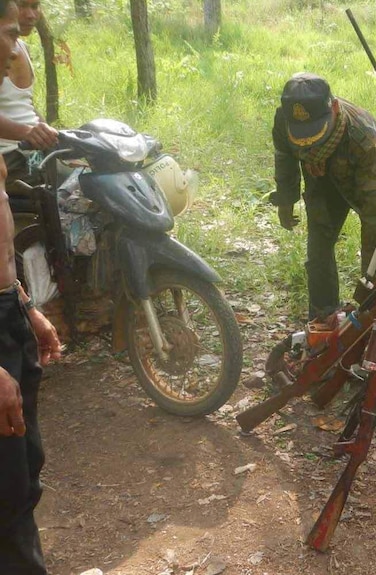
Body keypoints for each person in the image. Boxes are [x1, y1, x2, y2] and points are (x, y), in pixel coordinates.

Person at [0, 1, 62, 571]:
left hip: (7, 315)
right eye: (8, 36)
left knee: (26, 469)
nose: (15, 51)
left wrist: (26, 308)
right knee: (7, 488)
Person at [271, 72, 376, 320]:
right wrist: (286, 200)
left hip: (369, 181)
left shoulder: (365, 138)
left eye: (315, 133)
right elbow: (284, 157)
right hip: (321, 180)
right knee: (318, 252)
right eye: (302, 135)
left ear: (335, 109)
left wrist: (368, 287)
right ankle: (323, 319)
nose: (308, 142)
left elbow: (375, 215)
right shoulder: (284, 121)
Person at [0, 0, 58, 186]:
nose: (30, 15)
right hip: (9, 155)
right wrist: (26, 132)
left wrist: (49, 133)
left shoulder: (23, 48)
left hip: (32, 151)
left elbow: (26, 104)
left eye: (35, 7)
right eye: (22, 5)